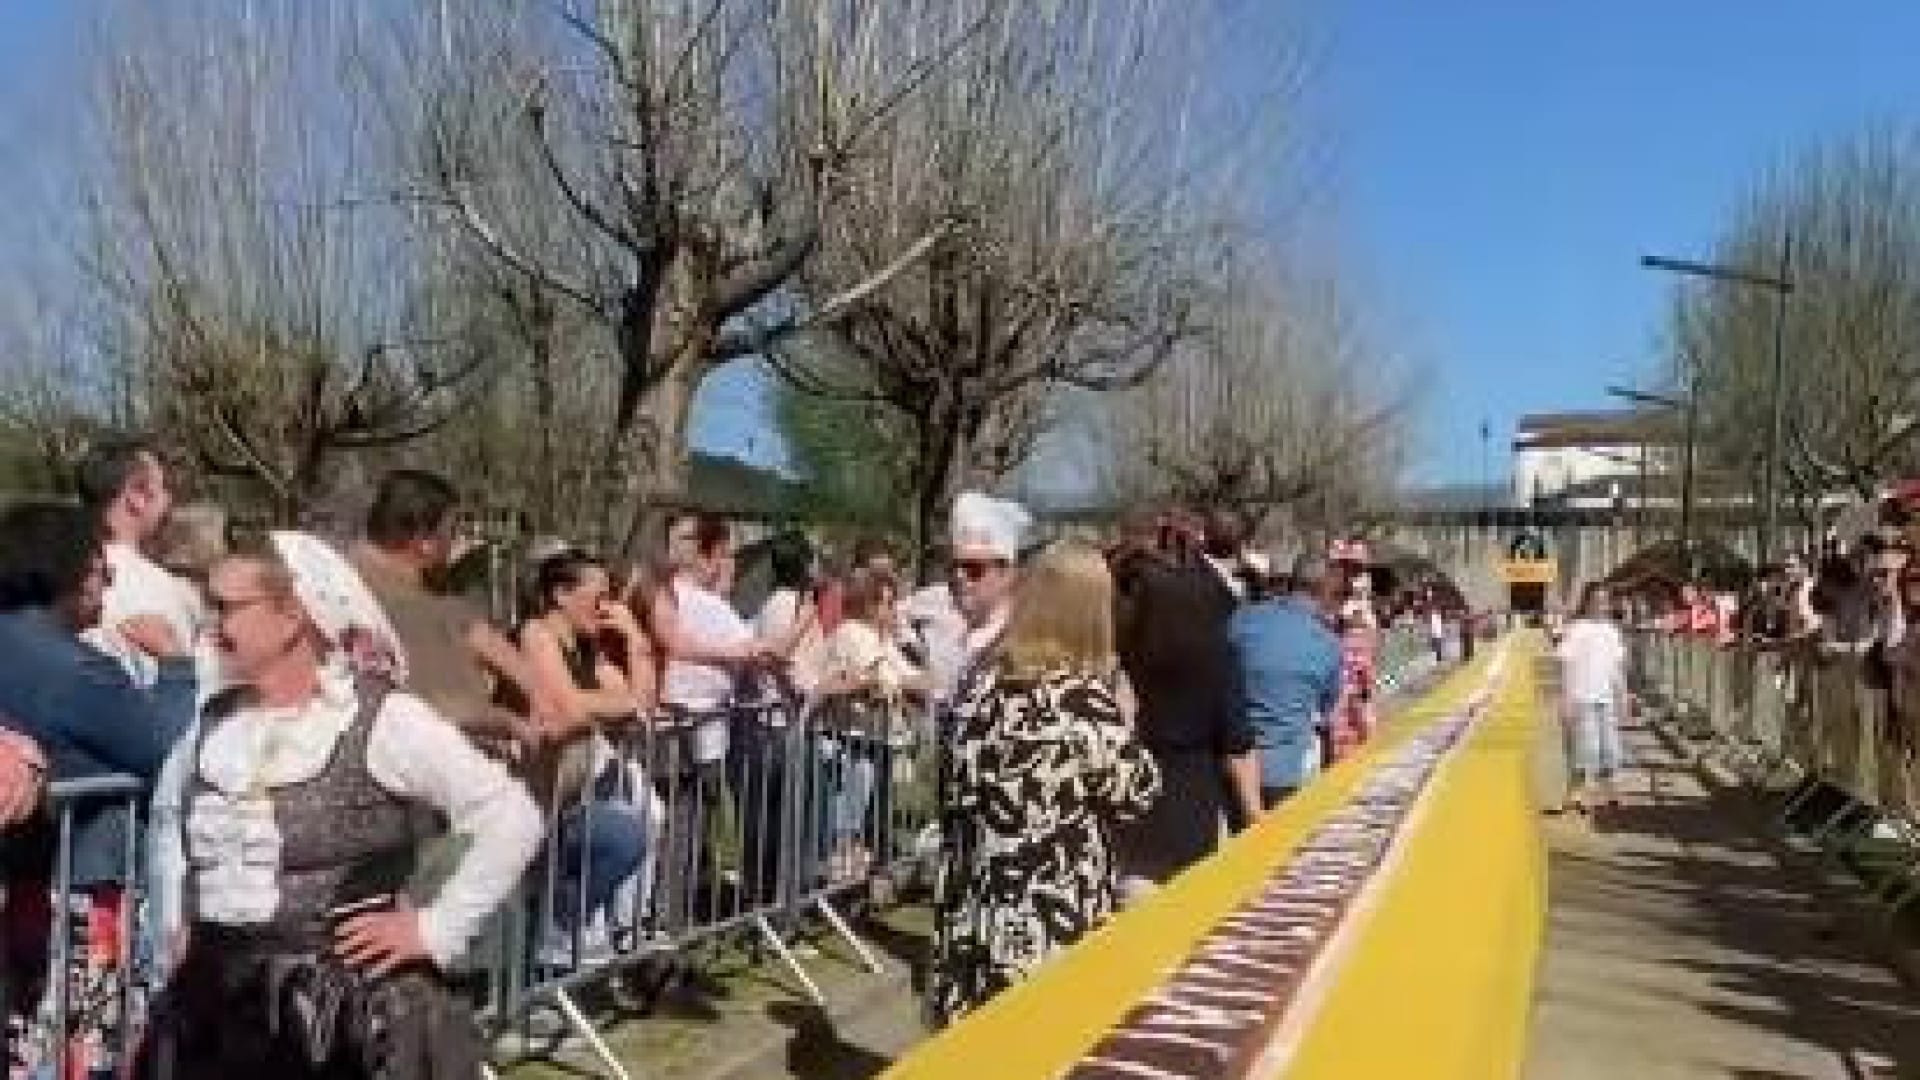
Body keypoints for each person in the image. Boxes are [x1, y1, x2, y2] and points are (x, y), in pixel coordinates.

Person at [142, 538, 542, 1078]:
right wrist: (182, 921)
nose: (212, 627)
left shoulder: (381, 721)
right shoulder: (215, 722)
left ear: (292, 616)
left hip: (338, 1017)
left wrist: (435, 928)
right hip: (218, 1007)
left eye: (227, 607)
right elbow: (174, 827)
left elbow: (512, 816)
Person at [928, 544, 1159, 1026]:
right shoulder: (1080, 701)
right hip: (1049, 928)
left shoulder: (977, 688)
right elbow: (1137, 792)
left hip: (973, 918)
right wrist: (1126, 717)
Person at [512, 549, 656, 955]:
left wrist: (636, 638)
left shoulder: (586, 648)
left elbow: (642, 704)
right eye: (599, 597)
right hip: (523, 799)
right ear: (561, 594)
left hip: (564, 799)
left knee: (630, 835)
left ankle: (565, 933)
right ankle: (558, 941)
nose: (607, 608)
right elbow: (568, 705)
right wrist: (621, 704)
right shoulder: (536, 634)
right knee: (622, 835)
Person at [348, 470, 557, 745]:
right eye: (452, 531)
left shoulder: (416, 586)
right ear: (424, 541)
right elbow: (446, 707)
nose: (457, 541)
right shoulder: (392, 601)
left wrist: (535, 688)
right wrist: (511, 723)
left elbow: (477, 633)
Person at [1110, 510, 1260, 890]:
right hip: (1191, 812)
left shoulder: (1120, 652)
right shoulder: (1216, 656)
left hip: (1127, 818)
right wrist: (1257, 817)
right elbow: (1238, 747)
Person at [74, 438, 204, 690]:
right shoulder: (165, 590)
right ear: (136, 497)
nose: (169, 500)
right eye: (164, 487)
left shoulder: (53, 581)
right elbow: (182, 696)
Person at [1228, 554, 1345, 809]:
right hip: (1289, 772)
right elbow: (1327, 709)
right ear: (1325, 591)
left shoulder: (1243, 620)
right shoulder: (1329, 645)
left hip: (1236, 769)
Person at [1557, 582, 1630, 814]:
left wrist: (1623, 696)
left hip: (1605, 697)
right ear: (1587, 602)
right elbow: (1566, 664)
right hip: (1582, 697)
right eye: (1596, 600)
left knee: (1610, 749)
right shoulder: (1577, 628)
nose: (1601, 605)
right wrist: (1566, 698)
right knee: (1586, 749)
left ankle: (1610, 792)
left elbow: (1616, 668)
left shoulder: (1612, 631)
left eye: (1604, 601)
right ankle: (1580, 794)